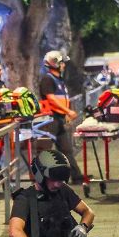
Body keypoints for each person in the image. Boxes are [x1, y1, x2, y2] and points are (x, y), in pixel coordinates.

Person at [37, 51, 84, 182]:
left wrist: (65, 113)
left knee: (67, 149)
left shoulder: (59, 80)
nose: (64, 65)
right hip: (49, 121)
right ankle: (40, 179)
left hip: (59, 119)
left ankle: (77, 176)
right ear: (55, 63)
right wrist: (68, 111)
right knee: (44, 151)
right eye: (62, 62)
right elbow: (51, 99)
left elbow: (62, 99)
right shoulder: (48, 79)